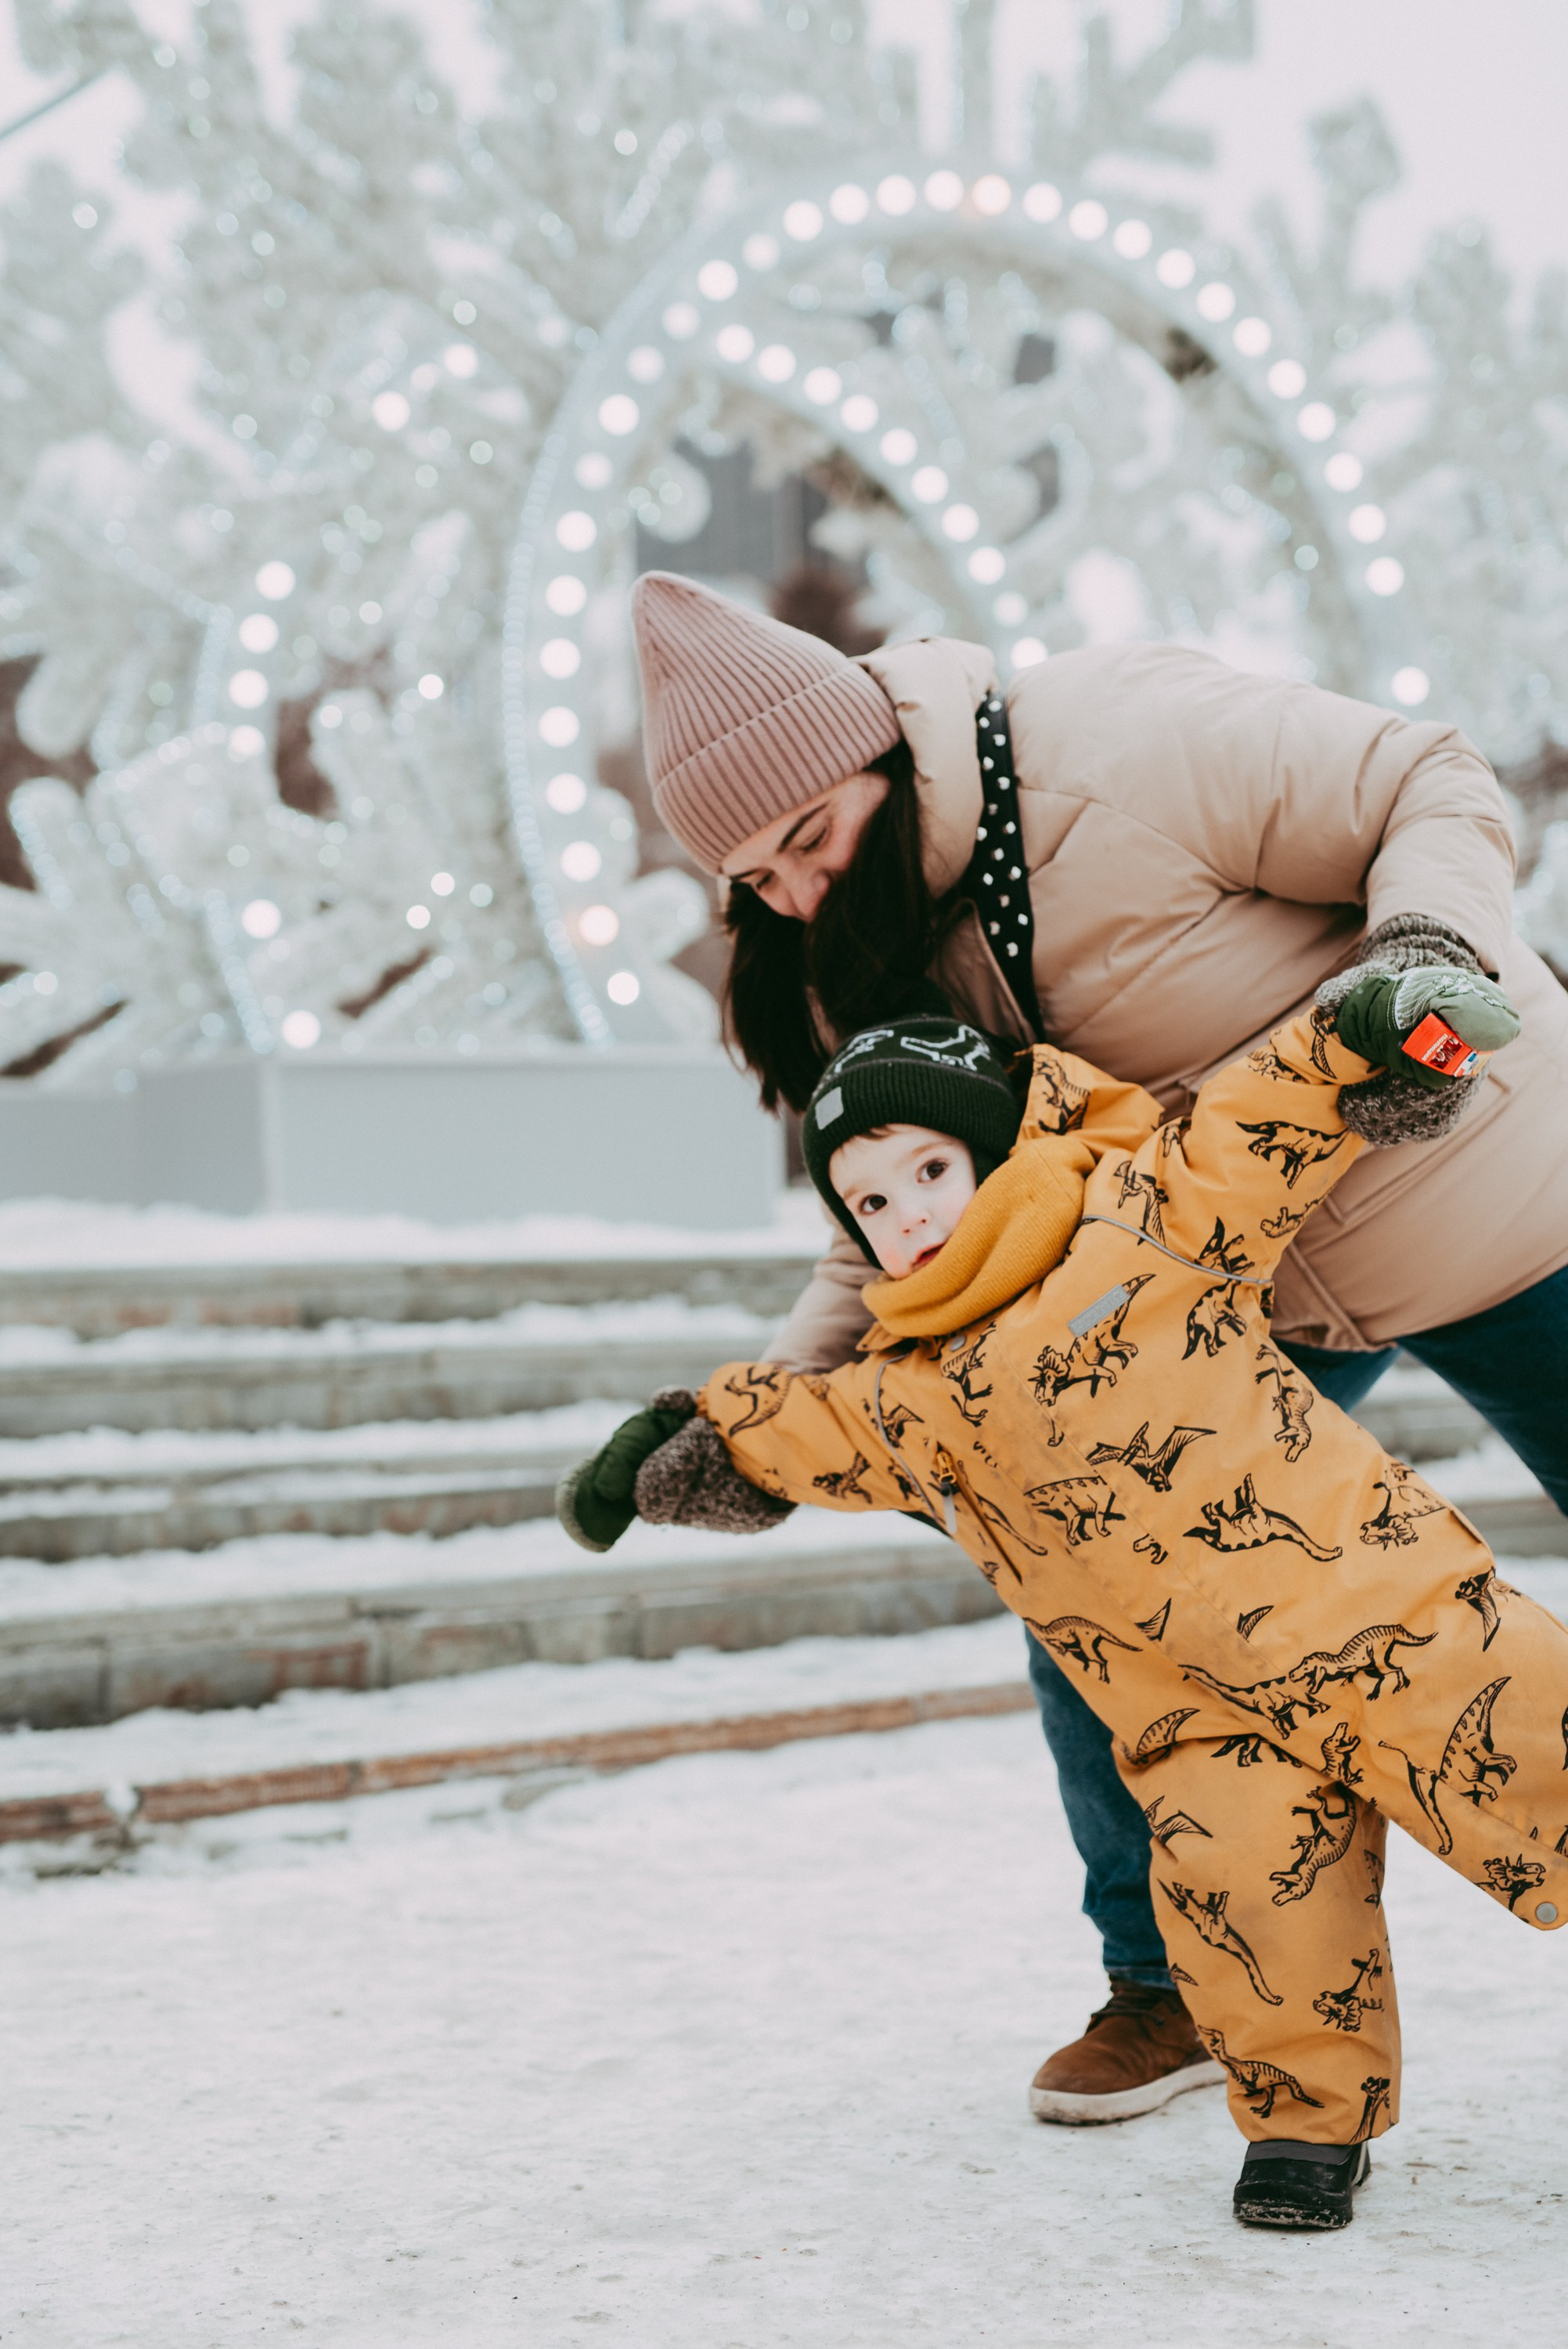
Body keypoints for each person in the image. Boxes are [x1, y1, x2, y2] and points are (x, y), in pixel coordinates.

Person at [627, 569, 1568, 2122]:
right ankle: (1169, 1985)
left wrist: (1422, 956)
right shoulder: (868, 951)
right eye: (754, 879)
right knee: (1093, 1577)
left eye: (811, 838)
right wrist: (769, 1412)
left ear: (887, 756)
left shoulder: (1112, 741)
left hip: (1497, 1195)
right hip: (1223, 1296)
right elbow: (895, 1216)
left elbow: (1428, 778)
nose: (795, 893)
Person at [557, 976, 1563, 2235]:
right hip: (1189, 1718)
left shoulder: (1141, 1223)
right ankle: (1307, 2127)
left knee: (1546, 1756)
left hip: (1383, 1619)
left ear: (993, 1149)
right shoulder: (905, 1396)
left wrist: (1364, 1030)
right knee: (1253, 1915)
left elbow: (1258, 1123)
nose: (910, 1217)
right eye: (871, 1203)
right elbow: (793, 1426)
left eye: (930, 1171)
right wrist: (670, 1449)